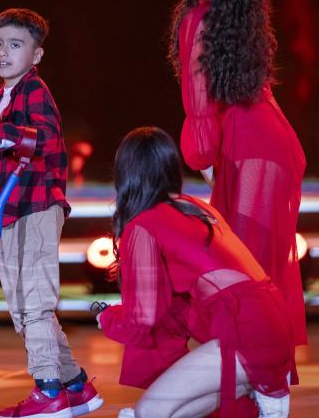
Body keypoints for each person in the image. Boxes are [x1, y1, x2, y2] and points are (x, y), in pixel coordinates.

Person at [169, 0, 307, 347]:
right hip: (268, 144)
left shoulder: (199, 17)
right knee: (253, 276)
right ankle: (258, 389)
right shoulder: (232, 12)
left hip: (249, 152)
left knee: (244, 283)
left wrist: (206, 161)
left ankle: (259, 393)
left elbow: (200, 104)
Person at [99, 127, 294, 418]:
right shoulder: (195, 207)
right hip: (273, 321)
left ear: (125, 175)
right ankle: (254, 386)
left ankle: (259, 386)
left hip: (244, 331)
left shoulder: (142, 226)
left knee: (148, 412)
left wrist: (106, 317)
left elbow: (143, 319)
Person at [0, 8, 102, 418]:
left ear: (36, 55)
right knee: (25, 304)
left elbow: (43, 137)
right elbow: (1, 165)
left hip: (37, 208)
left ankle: (47, 389)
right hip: (10, 210)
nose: (3, 52)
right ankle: (74, 385)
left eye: (15, 44)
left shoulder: (34, 91)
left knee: (35, 303)